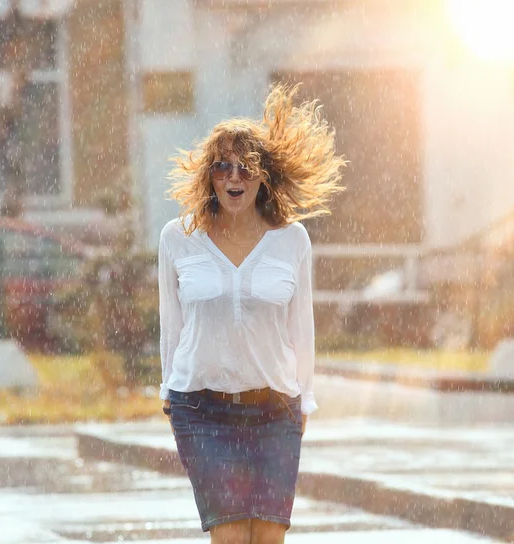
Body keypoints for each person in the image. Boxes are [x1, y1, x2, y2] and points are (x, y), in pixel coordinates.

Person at [158, 84, 345, 544]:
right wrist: (168, 388)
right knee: (230, 538)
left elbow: (302, 327)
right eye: (222, 165)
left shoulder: (292, 240)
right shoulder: (177, 238)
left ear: (263, 177)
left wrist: (304, 399)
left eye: (245, 167)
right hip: (201, 407)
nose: (233, 176)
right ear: (209, 175)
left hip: (273, 408)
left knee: (267, 538)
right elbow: (172, 324)